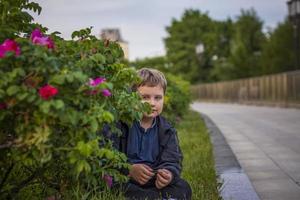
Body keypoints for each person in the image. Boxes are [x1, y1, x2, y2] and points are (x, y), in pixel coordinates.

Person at [108, 68, 192, 200]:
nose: (152, 103)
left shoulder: (167, 130)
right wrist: (129, 170)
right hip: (127, 179)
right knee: (113, 184)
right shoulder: (121, 125)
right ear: (132, 98)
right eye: (145, 97)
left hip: (154, 181)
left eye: (158, 98)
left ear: (164, 98)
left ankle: (154, 197)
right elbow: (111, 158)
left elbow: (173, 159)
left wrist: (168, 174)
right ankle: (155, 198)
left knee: (183, 187)